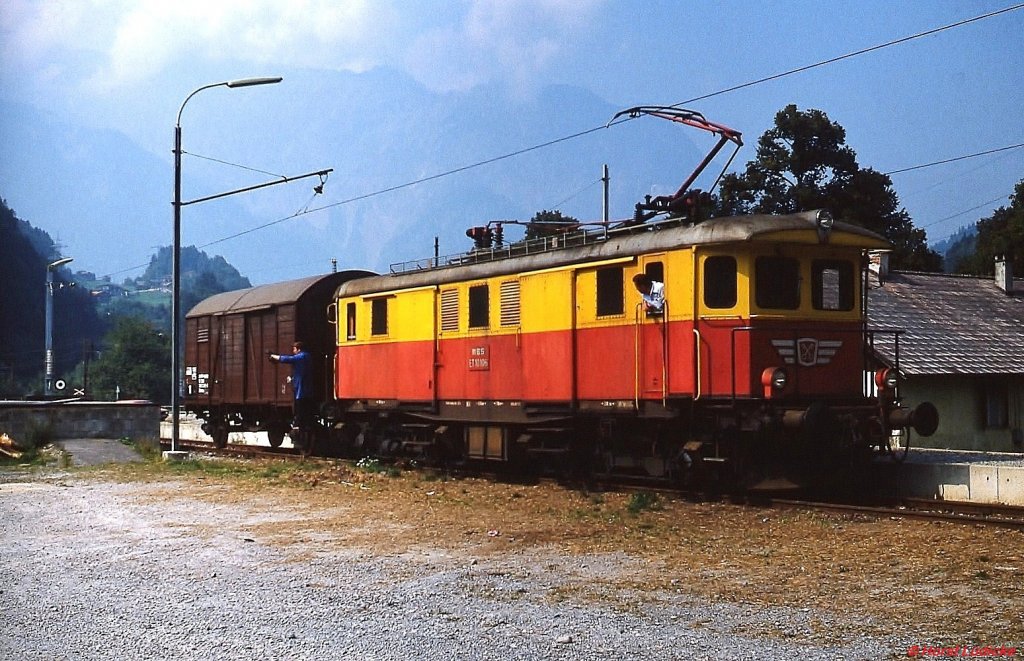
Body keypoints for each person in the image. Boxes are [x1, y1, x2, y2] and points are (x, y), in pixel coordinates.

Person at [269, 341, 315, 448]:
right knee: (305, 413)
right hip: (308, 391)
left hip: (302, 392)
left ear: (298, 349)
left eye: (294, 349)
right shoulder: (308, 357)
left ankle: (297, 431)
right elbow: (302, 372)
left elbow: (288, 359)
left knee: (300, 413)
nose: (293, 351)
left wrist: (274, 356)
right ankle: (300, 429)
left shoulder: (301, 356)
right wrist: (293, 378)